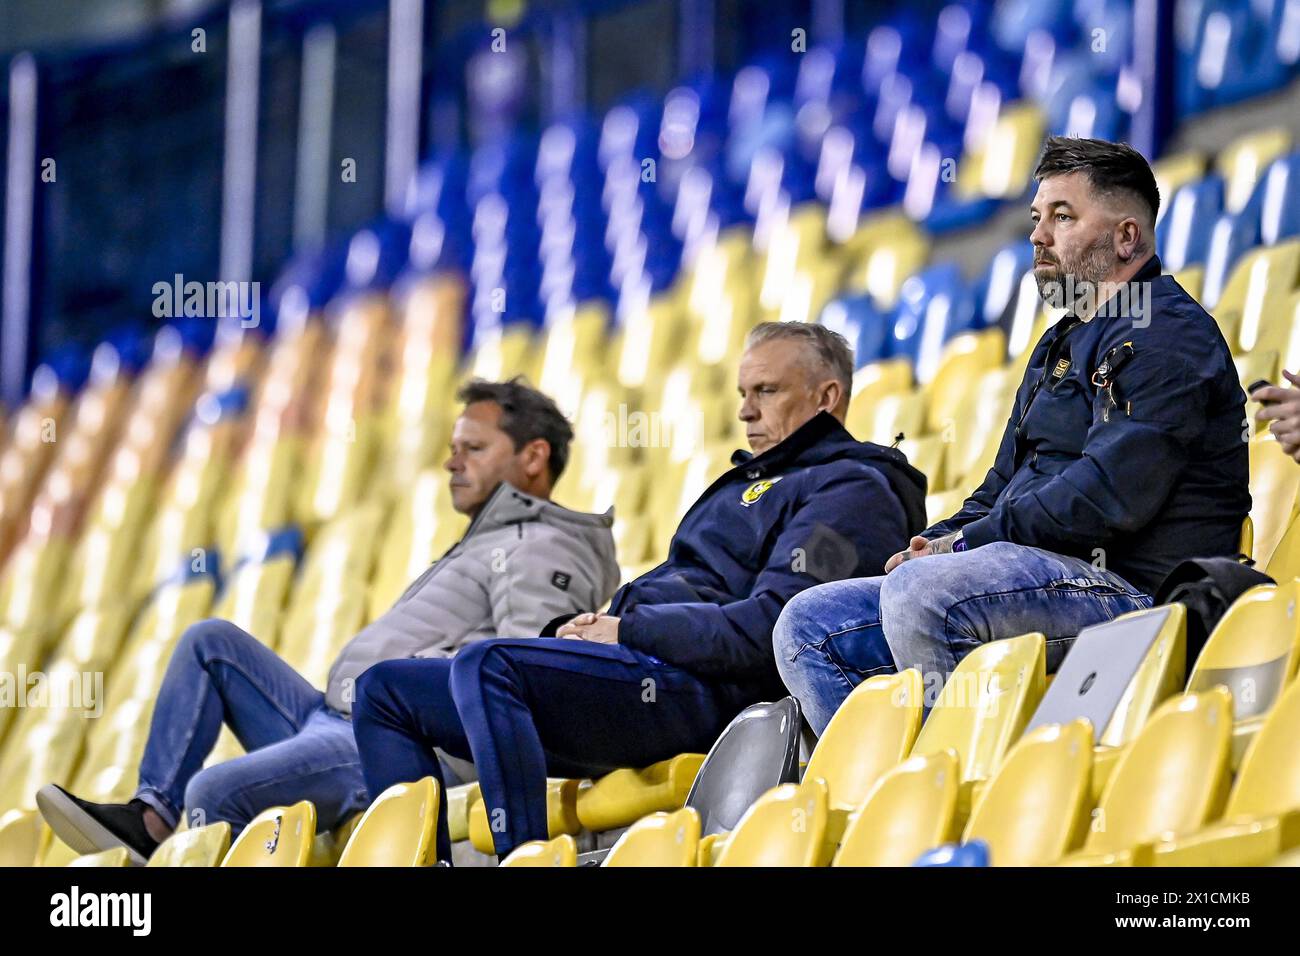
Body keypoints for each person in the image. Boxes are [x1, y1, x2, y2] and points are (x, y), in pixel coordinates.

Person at [350, 321, 928, 860]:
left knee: (489, 663)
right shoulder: (753, 480)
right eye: (742, 392)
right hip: (642, 668)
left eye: (767, 391)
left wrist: (629, 629)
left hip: (706, 691)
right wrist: (587, 628)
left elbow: (771, 630)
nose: (746, 411)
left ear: (827, 397)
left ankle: (523, 862)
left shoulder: (855, 490)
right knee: (384, 690)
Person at [774, 135, 1251, 735]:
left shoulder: (1167, 335)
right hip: (1034, 574)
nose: (1038, 236)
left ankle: (956, 796)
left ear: (1127, 237)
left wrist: (968, 544)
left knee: (921, 597)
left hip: (1136, 592)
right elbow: (1003, 482)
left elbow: (1107, 495)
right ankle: (882, 805)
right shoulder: (1059, 342)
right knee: (807, 625)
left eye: (1062, 217)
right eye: (1036, 218)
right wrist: (939, 538)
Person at [37, 378, 619, 863]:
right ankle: (151, 818)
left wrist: (415, 694)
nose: (452, 461)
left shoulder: (543, 545)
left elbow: (528, 674)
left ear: (533, 456)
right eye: (453, 446)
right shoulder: (493, 539)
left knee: (215, 790)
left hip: (398, 743)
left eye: (474, 447)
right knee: (210, 644)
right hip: (334, 718)